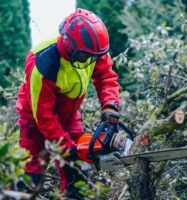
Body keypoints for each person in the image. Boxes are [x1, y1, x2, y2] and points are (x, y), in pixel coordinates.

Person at [16, 8, 120, 198]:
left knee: (77, 170)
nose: (89, 61)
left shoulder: (91, 50)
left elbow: (106, 75)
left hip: (69, 114)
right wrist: (65, 147)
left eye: (92, 57)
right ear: (69, 44)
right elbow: (44, 117)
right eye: (84, 57)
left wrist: (110, 104)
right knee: (31, 175)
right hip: (35, 119)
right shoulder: (44, 63)